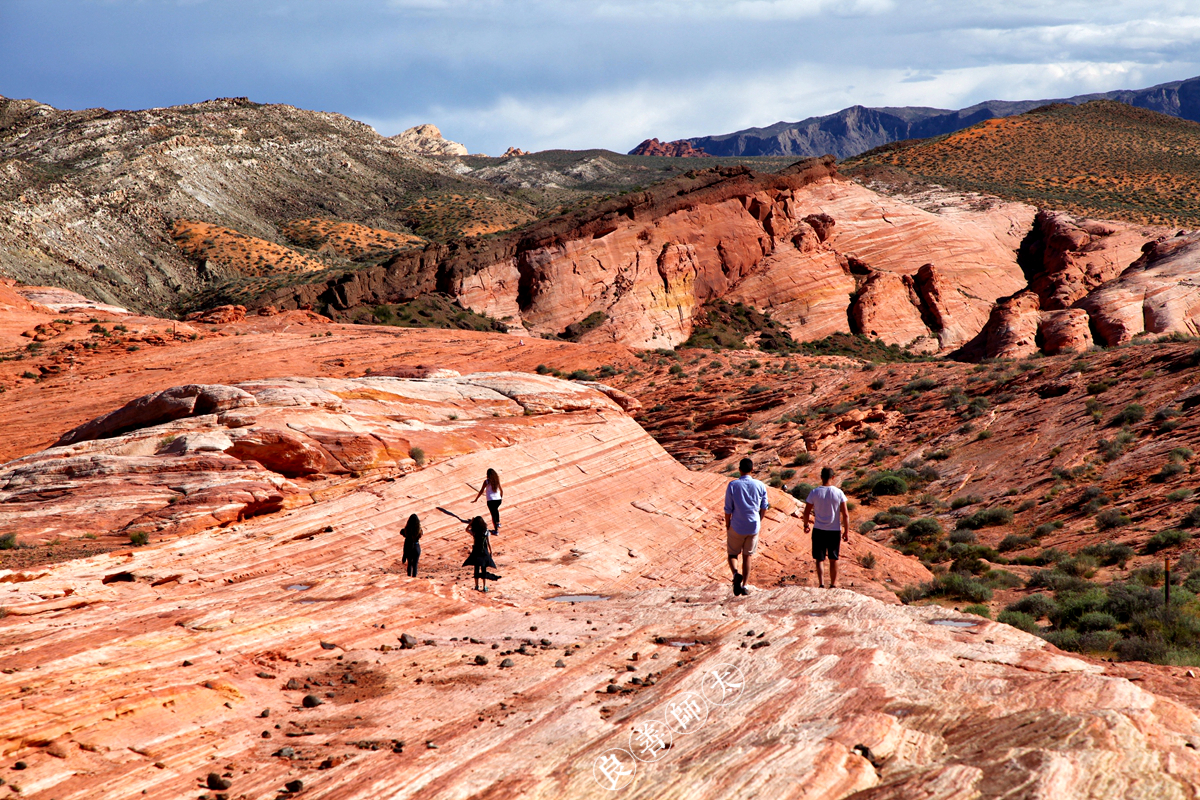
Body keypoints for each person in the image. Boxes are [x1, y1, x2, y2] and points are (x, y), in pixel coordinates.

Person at [724, 457, 769, 596]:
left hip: (737, 525)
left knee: (732, 554)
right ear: (752, 470)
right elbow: (764, 506)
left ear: (739, 470)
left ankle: (736, 574)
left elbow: (728, 509)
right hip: (753, 525)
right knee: (747, 556)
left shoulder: (733, 485)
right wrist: (759, 520)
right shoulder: (760, 485)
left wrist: (727, 524)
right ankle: (745, 585)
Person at [802, 467, 850, 589]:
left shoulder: (814, 492)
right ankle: (833, 584)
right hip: (834, 530)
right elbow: (845, 514)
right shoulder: (839, 493)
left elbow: (806, 512)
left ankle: (821, 584)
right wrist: (846, 532)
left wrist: (806, 525)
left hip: (819, 529)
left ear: (821, 477)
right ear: (833, 477)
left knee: (819, 558)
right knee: (834, 558)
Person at [462, 515, 497, 592]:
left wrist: (471, 523)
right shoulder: (486, 531)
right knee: (483, 568)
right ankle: (484, 586)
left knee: (476, 568)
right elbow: (488, 543)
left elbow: (467, 529)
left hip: (476, 551)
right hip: (484, 551)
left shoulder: (474, 532)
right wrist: (491, 551)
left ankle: (476, 586)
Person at [473, 468, 504, 535]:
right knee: (496, 510)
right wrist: (500, 498)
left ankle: (496, 531)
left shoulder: (486, 482)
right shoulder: (497, 481)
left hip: (491, 500)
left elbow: (481, 490)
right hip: (498, 500)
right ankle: (498, 523)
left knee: (493, 515)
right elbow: (501, 490)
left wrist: (476, 499)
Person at [401, 513, 422, 578]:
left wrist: (404, 555)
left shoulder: (407, 530)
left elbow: (402, 532)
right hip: (416, 546)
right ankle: (414, 578)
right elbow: (420, 535)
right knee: (415, 565)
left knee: (409, 564)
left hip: (409, 546)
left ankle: (409, 578)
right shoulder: (419, 530)